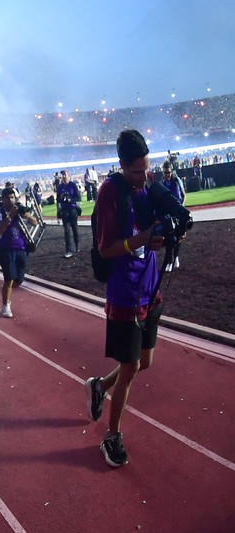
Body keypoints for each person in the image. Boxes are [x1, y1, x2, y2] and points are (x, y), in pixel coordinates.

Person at [85, 129, 167, 468]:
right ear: (121, 165)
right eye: (136, 171)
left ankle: (100, 386)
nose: (143, 177)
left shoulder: (147, 185)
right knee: (131, 366)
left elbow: (150, 231)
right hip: (124, 294)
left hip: (150, 288)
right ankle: (111, 435)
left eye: (146, 169)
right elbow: (106, 249)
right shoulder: (110, 192)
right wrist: (143, 238)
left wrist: (161, 236)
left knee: (143, 363)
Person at [0, 187, 38, 318]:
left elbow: (35, 222)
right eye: (7, 198)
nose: (10, 200)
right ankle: (6, 305)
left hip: (21, 249)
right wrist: (10, 216)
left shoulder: (19, 210)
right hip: (6, 250)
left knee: (19, 279)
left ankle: (7, 289)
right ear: (2, 199)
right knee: (9, 279)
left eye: (12, 197)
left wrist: (27, 215)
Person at [160, 161, 185, 272]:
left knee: (178, 236)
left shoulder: (177, 181)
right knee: (168, 237)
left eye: (169, 172)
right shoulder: (162, 183)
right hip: (168, 213)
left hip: (177, 212)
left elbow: (184, 195)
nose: (167, 175)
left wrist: (182, 207)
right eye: (165, 173)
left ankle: (176, 257)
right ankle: (169, 261)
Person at [56, 169, 81, 258]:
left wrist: (70, 199)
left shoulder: (72, 185)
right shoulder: (60, 187)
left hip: (73, 209)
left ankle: (77, 245)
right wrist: (61, 198)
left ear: (68, 175)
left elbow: (78, 197)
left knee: (75, 229)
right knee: (66, 231)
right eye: (62, 175)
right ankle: (68, 250)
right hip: (65, 211)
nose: (63, 176)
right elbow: (57, 200)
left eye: (65, 174)